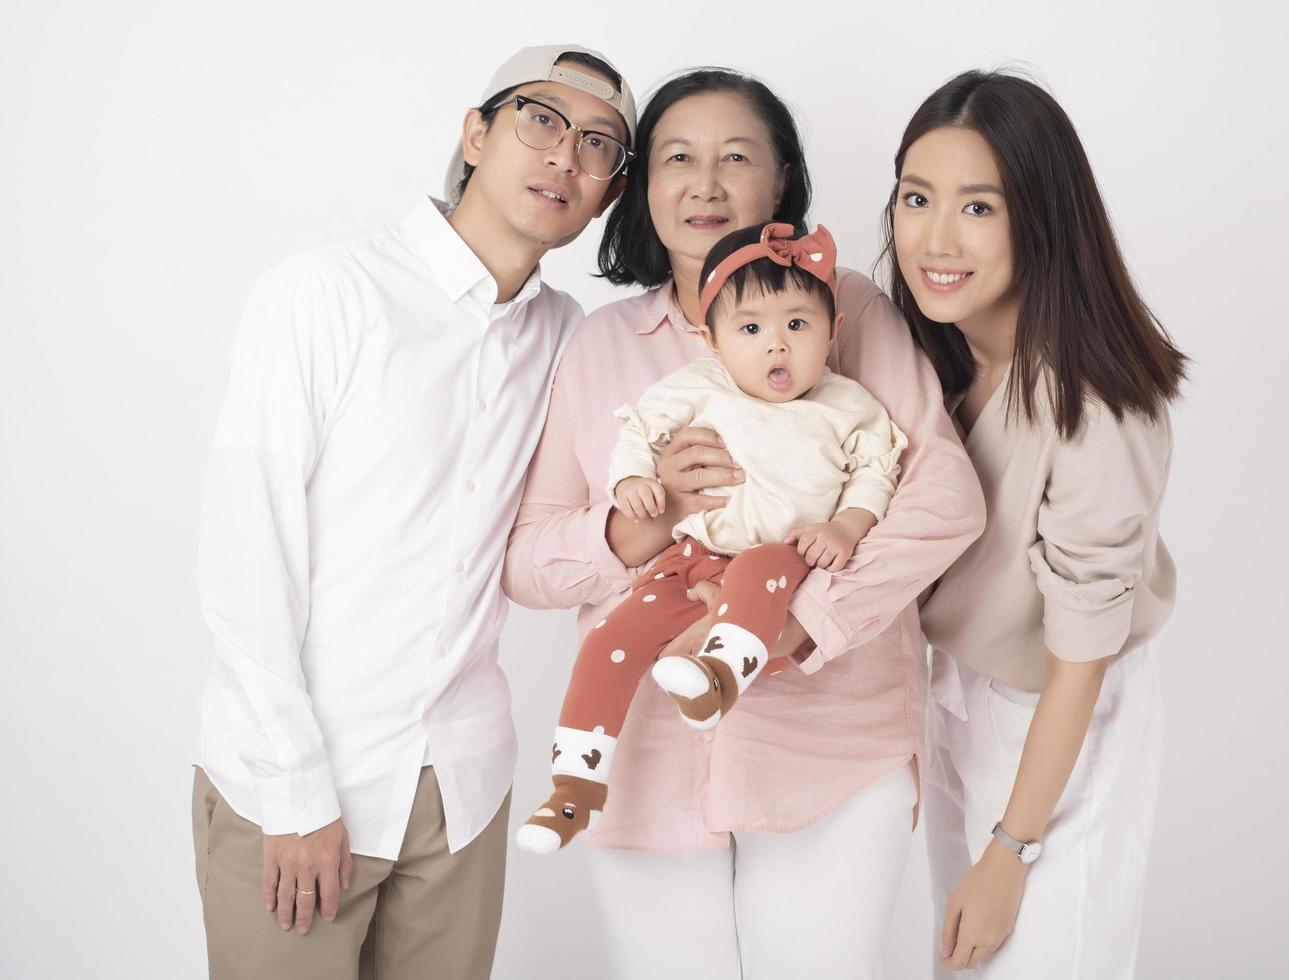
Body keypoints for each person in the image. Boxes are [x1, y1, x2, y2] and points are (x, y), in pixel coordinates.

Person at [501, 67, 985, 979]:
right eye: (677, 157)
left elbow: (943, 498)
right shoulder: (603, 344)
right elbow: (528, 561)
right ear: (644, 187)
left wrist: (806, 622)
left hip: (830, 748)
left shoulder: (848, 311)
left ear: (783, 182)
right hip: (641, 757)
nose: (706, 182)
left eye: (737, 157)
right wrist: (640, 526)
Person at [190, 44, 635, 977]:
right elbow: (245, 559)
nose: (564, 157)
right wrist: (299, 790)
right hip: (304, 786)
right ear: (476, 133)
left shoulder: (566, 339)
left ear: (608, 192)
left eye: (599, 145)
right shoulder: (325, 295)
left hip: (460, 789)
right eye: (540, 120)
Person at [882, 70, 1187, 976]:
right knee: (964, 961)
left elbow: (1079, 659)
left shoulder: (1094, 403)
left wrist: (1013, 852)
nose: (935, 238)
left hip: (1061, 712)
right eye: (916, 198)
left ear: (1042, 218)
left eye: (979, 207)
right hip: (956, 696)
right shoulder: (935, 360)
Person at [517, 222, 908, 854]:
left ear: (833, 332)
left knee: (757, 573)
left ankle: (719, 676)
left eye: (797, 326)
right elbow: (639, 432)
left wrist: (846, 525)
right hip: (690, 554)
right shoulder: (702, 385)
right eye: (751, 330)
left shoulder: (849, 405)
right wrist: (633, 482)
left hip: (784, 557)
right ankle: (573, 788)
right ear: (714, 341)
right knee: (612, 637)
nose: (776, 347)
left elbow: (876, 473)